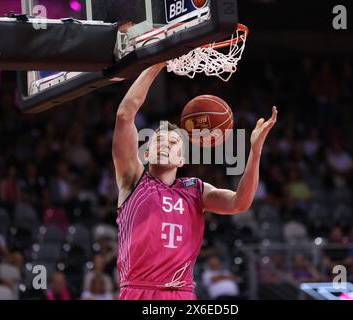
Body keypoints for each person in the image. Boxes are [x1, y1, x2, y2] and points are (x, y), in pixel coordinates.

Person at [113, 64, 278, 300]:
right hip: (138, 290)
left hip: (182, 292)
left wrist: (255, 152)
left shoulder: (196, 190)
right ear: (145, 154)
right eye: (157, 141)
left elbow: (239, 203)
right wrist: (157, 63)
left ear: (181, 159)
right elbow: (124, 115)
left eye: (172, 143)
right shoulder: (133, 180)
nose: (163, 145)